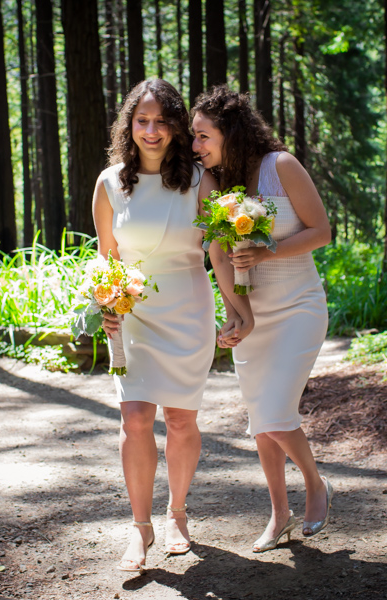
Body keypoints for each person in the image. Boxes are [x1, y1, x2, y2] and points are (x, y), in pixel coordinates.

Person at [191, 86, 333, 553]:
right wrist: (236, 314)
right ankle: (278, 513)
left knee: (274, 413)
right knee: (260, 421)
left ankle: (315, 485)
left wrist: (266, 247)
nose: (196, 146)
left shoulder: (282, 166)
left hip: (298, 309)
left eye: (203, 136)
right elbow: (219, 256)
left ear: (229, 132)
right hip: (253, 317)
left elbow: (321, 232)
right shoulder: (219, 185)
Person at [92, 79, 217, 572]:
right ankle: (139, 528)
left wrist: (239, 307)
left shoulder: (198, 182)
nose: (151, 130)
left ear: (177, 127)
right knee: (136, 419)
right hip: (133, 314)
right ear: (129, 125)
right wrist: (106, 299)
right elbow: (107, 257)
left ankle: (177, 513)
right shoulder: (109, 182)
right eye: (142, 120)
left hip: (187, 306)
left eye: (162, 121)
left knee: (182, 420)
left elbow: (223, 253)